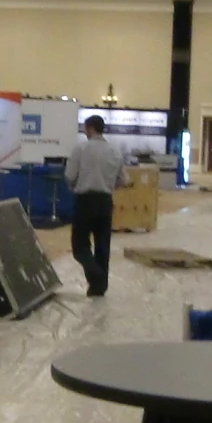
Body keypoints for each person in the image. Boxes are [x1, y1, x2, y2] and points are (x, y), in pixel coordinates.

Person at [66, 114, 122, 297]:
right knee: (102, 245)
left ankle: (96, 275)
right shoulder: (115, 151)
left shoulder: (80, 149)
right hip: (106, 201)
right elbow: (123, 179)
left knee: (79, 246)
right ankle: (99, 288)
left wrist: (75, 187)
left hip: (85, 201)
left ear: (89, 128)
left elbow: (70, 176)